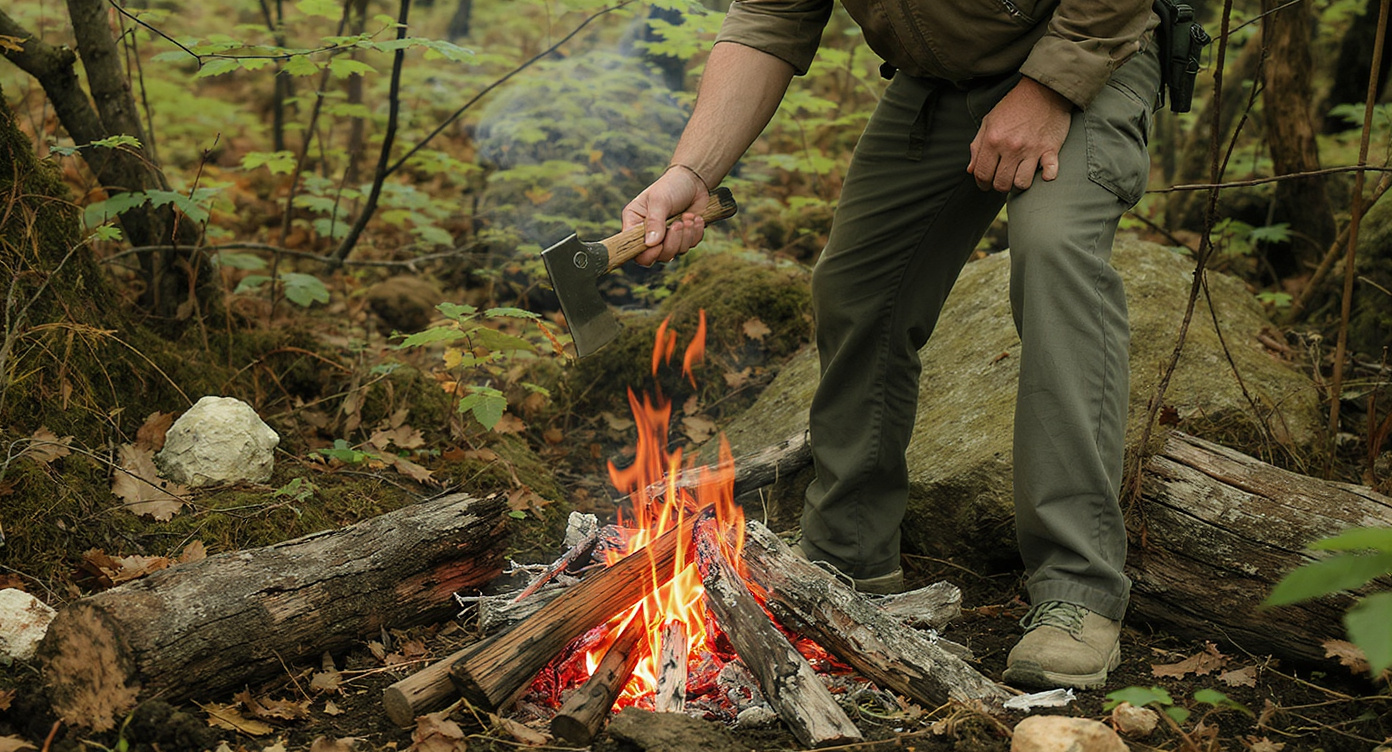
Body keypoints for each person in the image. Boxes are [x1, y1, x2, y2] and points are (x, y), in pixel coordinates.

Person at [621, 0, 1160, 690]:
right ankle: (847, 555)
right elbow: (769, 19)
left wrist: (1051, 86)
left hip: (1089, 53)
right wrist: (691, 173)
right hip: (942, 82)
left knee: (1054, 255)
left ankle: (1079, 591)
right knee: (856, 287)